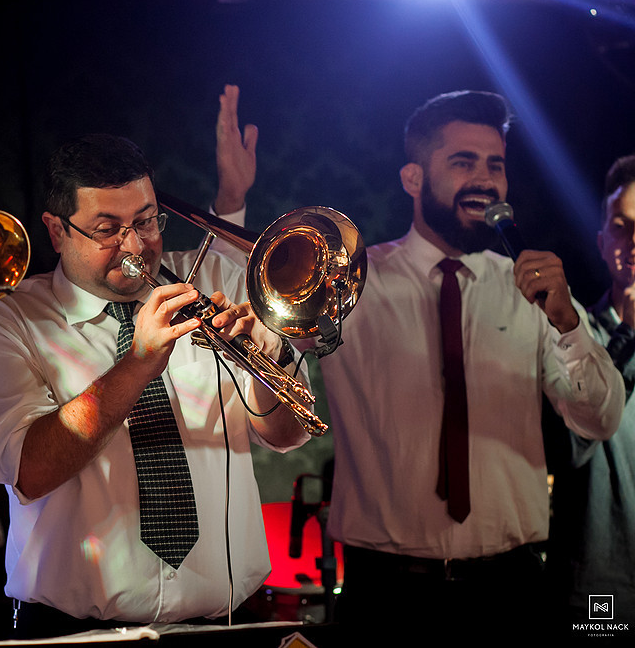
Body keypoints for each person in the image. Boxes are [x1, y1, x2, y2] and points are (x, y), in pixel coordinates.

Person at [220, 89, 624, 645]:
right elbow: (281, 433)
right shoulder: (350, 284)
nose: (485, 180)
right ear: (412, 178)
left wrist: (568, 324)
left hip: (513, 587)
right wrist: (277, 345)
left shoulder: (531, 290)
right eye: (463, 162)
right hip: (386, 593)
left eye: (496, 166)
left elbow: (599, 421)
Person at [0, 125, 312, 639]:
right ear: (57, 231)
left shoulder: (213, 278)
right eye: (107, 228)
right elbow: (28, 470)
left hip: (227, 624)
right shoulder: (7, 320)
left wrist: (269, 354)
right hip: (72, 633)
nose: (135, 245)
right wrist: (139, 362)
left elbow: (287, 435)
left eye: (146, 221)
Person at [546, 154, 635, 639]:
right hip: (598, 584)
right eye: (622, 227)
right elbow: (571, 450)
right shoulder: (572, 337)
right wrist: (625, 338)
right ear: (602, 242)